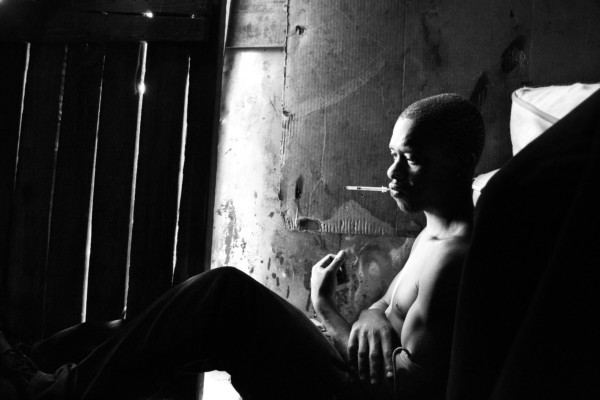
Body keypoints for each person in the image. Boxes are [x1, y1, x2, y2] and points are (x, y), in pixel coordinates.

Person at [0, 93, 484, 400]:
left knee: (223, 297)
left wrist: (325, 309)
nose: (392, 173)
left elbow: (402, 392)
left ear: (462, 162)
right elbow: (388, 311)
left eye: (411, 159)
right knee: (174, 319)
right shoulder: (430, 234)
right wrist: (373, 314)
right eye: (393, 155)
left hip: (345, 391)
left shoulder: (455, 260)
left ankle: (52, 389)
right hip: (340, 365)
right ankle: (39, 366)